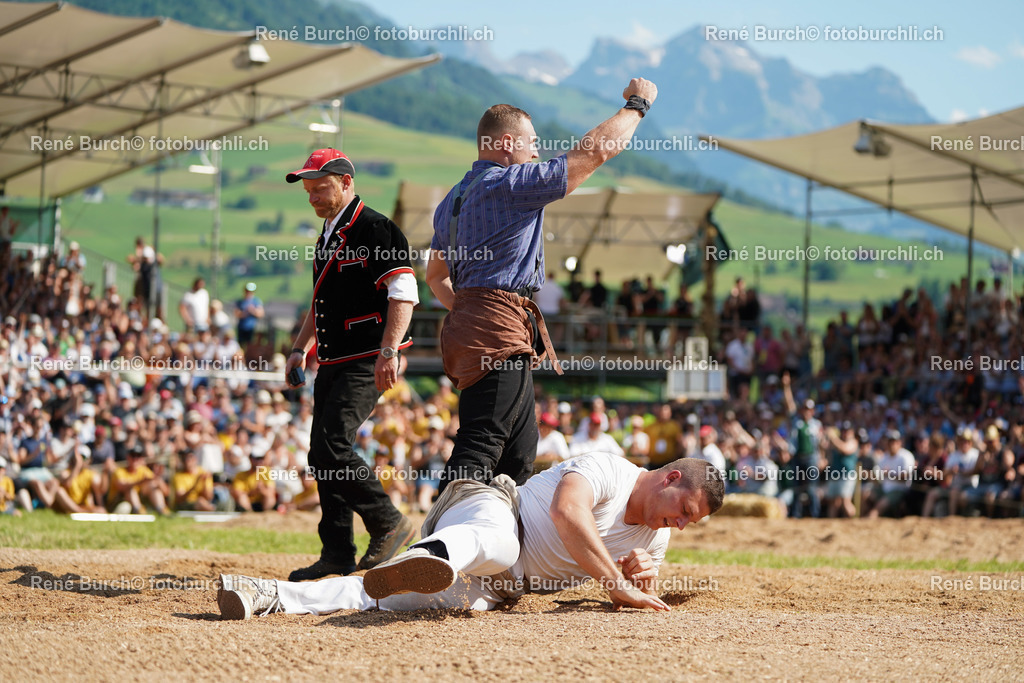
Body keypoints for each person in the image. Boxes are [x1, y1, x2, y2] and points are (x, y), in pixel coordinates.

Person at [425, 78, 659, 492]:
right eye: (533, 144)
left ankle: (504, 550)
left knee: (519, 451)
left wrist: (471, 310)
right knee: (482, 444)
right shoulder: (510, 185)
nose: (537, 152)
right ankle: (436, 544)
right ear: (506, 143)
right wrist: (636, 106)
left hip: (474, 327)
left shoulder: (452, 200)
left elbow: (435, 278)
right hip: (497, 329)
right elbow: (595, 153)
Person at [215, 455, 724, 619]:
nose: (679, 526)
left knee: (385, 597)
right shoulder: (607, 468)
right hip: (490, 509)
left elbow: (639, 595)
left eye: (689, 524)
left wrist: (641, 580)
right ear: (670, 479)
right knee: (497, 540)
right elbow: (567, 513)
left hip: (499, 587)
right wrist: (616, 579)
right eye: (684, 512)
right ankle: (422, 553)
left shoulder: (657, 538)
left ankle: (266, 594)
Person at [282, 148, 417, 581]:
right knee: (321, 453)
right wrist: (299, 348)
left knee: (331, 446)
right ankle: (337, 552)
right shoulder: (327, 233)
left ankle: (388, 523)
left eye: (320, 189)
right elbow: (319, 301)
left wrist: (389, 351)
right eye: (308, 191)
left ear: (346, 183)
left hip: (366, 356)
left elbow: (403, 293)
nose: (313, 198)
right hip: (335, 358)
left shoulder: (377, 228)